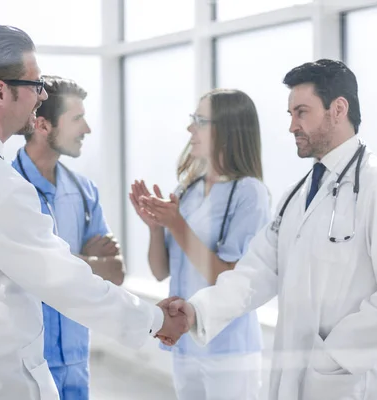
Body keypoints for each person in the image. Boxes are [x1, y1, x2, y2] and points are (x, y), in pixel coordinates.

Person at [0, 24, 187, 400]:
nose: (42, 95)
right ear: (0, 92)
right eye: (35, 84)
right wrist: (156, 320)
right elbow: (66, 281)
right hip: (1, 385)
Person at [163, 59, 377, 400]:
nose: (291, 126)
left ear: (338, 109)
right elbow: (255, 273)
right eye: (290, 114)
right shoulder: (297, 194)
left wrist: (334, 357)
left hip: (347, 383)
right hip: (297, 378)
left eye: (301, 112)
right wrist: (197, 311)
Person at [131, 88, 270, 400]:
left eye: (200, 121)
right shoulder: (188, 189)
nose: (190, 129)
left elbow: (229, 280)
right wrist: (156, 228)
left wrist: (177, 224)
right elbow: (159, 271)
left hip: (229, 350)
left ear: (227, 130)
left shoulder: (250, 193)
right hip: (184, 344)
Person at [11, 75, 124, 400]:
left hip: (75, 359)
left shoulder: (85, 191)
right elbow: (25, 273)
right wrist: (90, 262)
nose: (87, 128)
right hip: (24, 364)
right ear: (43, 125)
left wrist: (65, 265)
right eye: (77, 119)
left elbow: (116, 273)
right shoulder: (7, 188)